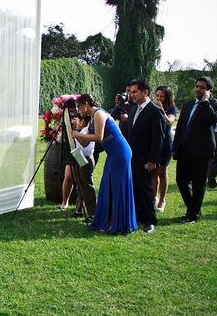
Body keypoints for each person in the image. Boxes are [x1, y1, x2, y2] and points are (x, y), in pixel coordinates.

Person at [72, 94, 137, 234]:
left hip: (120, 152)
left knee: (117, 187)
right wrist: (76, 130)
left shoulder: (99, 114)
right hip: (113, 154)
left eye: (79, 106)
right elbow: (84, 142)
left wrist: (79, 135)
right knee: (108, 186)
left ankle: (118, 223)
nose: (79, 110)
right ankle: (109, 221)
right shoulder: (91, 120)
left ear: (86, 104)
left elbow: (98, 137)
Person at [171, 76, 217, 224]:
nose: (198, 89)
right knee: (181, 181)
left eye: (202, 87)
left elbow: (212, 120)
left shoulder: (216, 105)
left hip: (202, 152)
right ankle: (193, 209)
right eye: (197, 86)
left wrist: (206, 102)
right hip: (184, 151)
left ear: (209, 90)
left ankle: (193, 214)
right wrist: (175, 147)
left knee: (198, 184)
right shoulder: (188, 104)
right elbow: (180, 126)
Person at [126, 80, 166, 234]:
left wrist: (152, 160)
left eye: (135, 91)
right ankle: (138, 217)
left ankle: (150, 221)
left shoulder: (155, 111)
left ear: (145, 92)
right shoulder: (134, 109)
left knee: (146, 190)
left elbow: (158, 139)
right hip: (132, 158)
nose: (132, 94)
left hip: (146, 159)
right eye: (131, 92)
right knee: (135, 188)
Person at [151, 85, 177, 212]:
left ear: (167, 97)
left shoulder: (172, 108)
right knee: (153, 171)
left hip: (165, 143)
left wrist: (161, 109)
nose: (159, 98)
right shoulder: (151, 107)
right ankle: (154, 197)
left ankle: (162, 200)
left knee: (162, 172)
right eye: (157, 95)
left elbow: (169, 121)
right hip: (154, 143)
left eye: (162, 96)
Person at [69, 114, 96, 221]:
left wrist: (76, 134)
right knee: (80, 185)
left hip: (86, 160)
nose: (77, 122)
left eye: (78, 120)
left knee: (87, 186)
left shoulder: (87, 131)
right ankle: (79, 210)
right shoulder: (83, 130)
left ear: (83, 121)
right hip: (80, 157)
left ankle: (93, 213)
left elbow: (84, 145)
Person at [59, 99, 78, 211]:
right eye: (71, 112)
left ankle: (82, 204)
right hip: (70, 148)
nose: (74, 113)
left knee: (83, 178)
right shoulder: (65, 118)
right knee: (69, 176)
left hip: (83, 148)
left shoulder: (83, 115)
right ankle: (65, 201)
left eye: (75, 110)